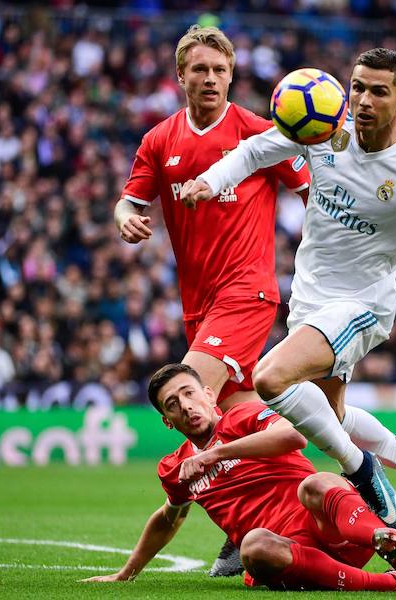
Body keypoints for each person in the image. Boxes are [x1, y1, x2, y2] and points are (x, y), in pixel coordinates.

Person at [180, 48, 396, 537]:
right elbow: (256, 150)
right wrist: (210, 179)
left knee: (270, 380)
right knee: (332, 418)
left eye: (379, 92)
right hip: (309, 300)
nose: (363, 100)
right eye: (358, 87)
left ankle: (363, 472)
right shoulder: (323, 127)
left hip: (361, 307)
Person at [114, 24, 311, 575]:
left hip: (247, 293)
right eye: (199, 69)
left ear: (232, 76)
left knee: (186, 403)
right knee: (244, 419)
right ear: (181, 76)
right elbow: (128, 202)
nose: (210, 79)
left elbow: (312, 191)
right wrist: (127, 218)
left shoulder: (258, 132)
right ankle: (315, 500)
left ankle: (235, 529)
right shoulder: (160, 140)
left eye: (220, 70)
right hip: (198, 305)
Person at [81, 363, 396, 592]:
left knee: (316, 483)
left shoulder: (242, 417)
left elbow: (294, 435)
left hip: (336, 527)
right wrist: (125, 573)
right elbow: (168, 517)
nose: (186, 406)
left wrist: (217, 452)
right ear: (168, 421)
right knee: (252, 546)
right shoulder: (175, 468)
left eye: (189, 393)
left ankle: (382, 539)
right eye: (173, 405)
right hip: (286, 554)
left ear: (209, 394)